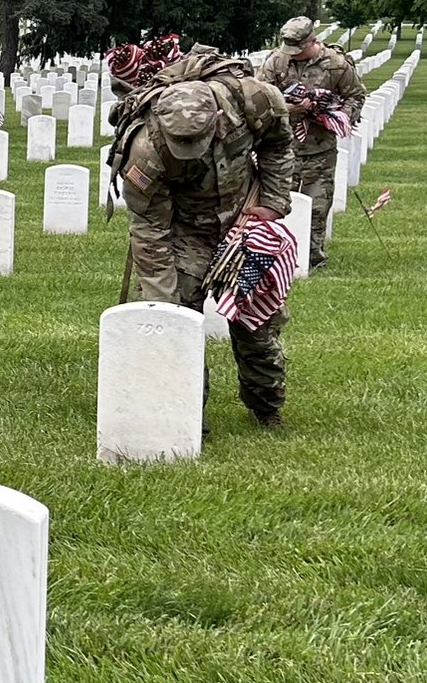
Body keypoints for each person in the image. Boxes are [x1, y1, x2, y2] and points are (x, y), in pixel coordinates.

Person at [115, 74, 295, 429]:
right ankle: (185, 413)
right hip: (186, 234)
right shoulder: (145, 154)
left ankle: (266, 405)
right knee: (175, 322)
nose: (190, 147)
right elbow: (150, 230)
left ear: (216, 118)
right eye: (181, 141)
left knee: (257, 323)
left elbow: (278, 144)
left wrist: (273, 202)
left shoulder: (254, 101)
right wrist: (161, 302)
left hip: (244, 223)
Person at [257, 16, 366, 269]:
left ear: (313, 41)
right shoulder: (276, 61)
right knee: (277, 202)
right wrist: (289, 108)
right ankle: (273, 255)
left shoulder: (336, 65)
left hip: (320, 149)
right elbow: (259, 97)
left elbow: (356, 95)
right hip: (282, 148)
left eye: (299, 49)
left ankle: (312, 257)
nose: (293, 54)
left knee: (317, 205)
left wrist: (336, 117)